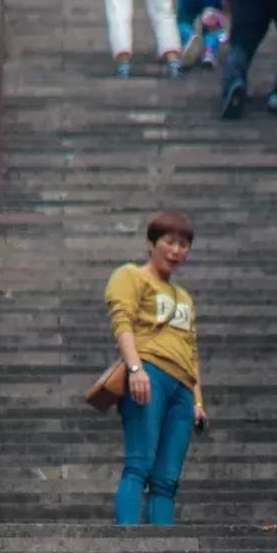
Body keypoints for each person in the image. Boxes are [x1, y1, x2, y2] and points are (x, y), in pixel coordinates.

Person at [104, 210, 207, 526]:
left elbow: (190, 350)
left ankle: (162, 543)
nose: (176, 251)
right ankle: (126, 537)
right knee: (139, 463)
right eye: (169, 242)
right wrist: (136, 370)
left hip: (182, 388)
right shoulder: (130, 276)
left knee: (167, 478)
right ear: (151, 244)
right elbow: (122, 323)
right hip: (149, 375)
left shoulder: (183, 297)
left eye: (183, 245)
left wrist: (198, 401)